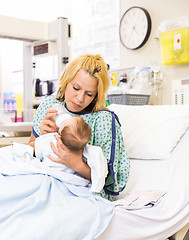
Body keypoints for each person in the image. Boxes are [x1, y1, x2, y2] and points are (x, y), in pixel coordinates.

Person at [28, 53, 130, 201]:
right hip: (44, 180)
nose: (80, 99)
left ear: (96, 96)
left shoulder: (103, 119)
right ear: (66, 81)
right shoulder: (49, 105)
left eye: (89, 94)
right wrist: (42, 138)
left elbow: (106, 180)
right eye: (76, 88)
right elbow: (28, 152)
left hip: (81, 191)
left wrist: (75, 163)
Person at [34, 114, 108, 193]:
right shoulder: (86, 151)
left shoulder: (51, 140)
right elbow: (98, 168)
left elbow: (37, 150)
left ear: (61, 132)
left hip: (50, 176)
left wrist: (45, 136)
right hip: (73, 182)